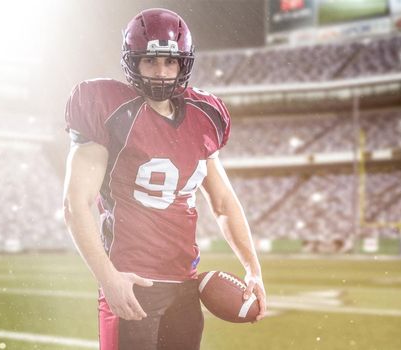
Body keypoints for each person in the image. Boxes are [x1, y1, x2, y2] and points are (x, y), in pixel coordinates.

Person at [62, 8, 266, 350]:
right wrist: (108, 279)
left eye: (169, 63)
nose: (161, 73)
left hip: (185, 287)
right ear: (133, 63)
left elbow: (224, 204)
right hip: (132, 282)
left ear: (183, 64)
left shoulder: (205, 116)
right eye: (150, 62)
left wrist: (254, 270)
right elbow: (75, 204)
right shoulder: (108, 109)